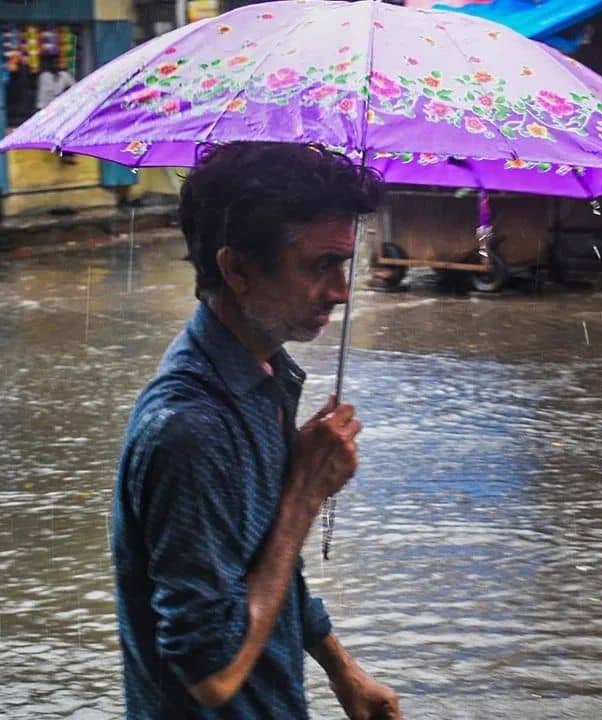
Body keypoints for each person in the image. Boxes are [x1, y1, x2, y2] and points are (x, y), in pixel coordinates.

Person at [111, 142, 402, 719]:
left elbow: (263, 556)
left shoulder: (263, 377)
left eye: (345, 264)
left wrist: (342, 669)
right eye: (321, 265)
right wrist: (304, 492)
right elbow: (211, 673)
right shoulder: (191, 429)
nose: (342, 291)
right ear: (238, 270)